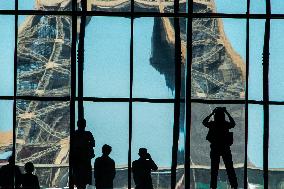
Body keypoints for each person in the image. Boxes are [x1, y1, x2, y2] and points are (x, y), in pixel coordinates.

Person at [202, 107, 238, 189]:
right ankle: (234, 185)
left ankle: (213, 186)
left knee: (214, 169)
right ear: (223, 116)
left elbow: (204, 122)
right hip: (225, 148)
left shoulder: (213, 124)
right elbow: (233, 123)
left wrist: (211, 113)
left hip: (215, 148)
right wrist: (227, 112)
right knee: (229, 168)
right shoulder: (225, 124)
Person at [72, 118, 95, 189]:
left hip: (77, 162)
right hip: (85, 161)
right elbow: (93, 144)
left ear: (77, 124)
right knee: (84, 182)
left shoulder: (74, 134)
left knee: (79, 181)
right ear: (85, 125)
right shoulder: (88, 134)